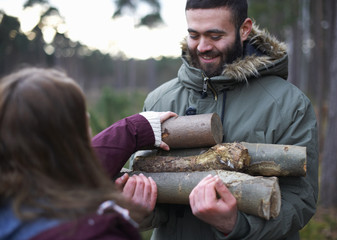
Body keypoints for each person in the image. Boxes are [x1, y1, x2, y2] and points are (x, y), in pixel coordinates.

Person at [118, 0, 318, 239]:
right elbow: (151, 197)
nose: (202, 46)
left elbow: (300, 201)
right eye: (194, 35)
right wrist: (139, 212)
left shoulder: (288, 105)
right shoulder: (159, 101)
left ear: (244, 29)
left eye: (215, 35)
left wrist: (235, 225)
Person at [0, 67, 177, 240]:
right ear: (73, 137)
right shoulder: (95, 232)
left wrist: (134, 129)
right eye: (84, 121)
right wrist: (123, 218)